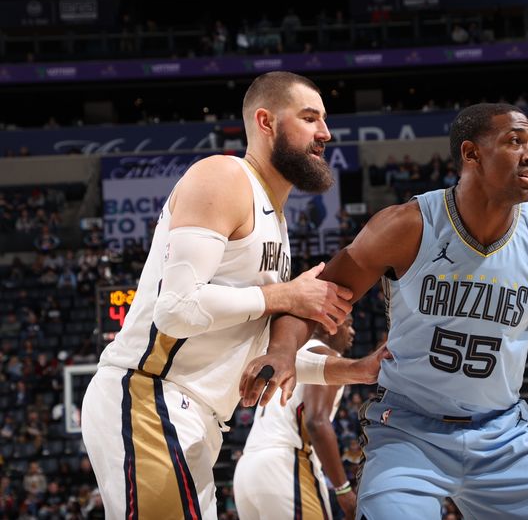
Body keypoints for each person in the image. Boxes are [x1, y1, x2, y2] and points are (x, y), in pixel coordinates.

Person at [241, 103, 528, 519]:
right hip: (409, 432)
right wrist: (281, 351)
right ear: (471, 154)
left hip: (501, 435)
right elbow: (312, 301)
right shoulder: (408, 226)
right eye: (515, 142)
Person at [81, 71, 385, 519]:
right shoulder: (223, 175)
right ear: (265, 122)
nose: (326, 133)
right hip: (150, 395)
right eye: (309, 118)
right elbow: (175, 310)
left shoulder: (275, 223)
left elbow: (256, 353)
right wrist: (284, 296)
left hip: (196, 415)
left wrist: (354, 370)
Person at [233, 315, 357, 520]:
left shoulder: (287, 356)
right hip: (286, 466)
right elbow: (316, 421)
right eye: (348, 324)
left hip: (248, 470)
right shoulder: (325, 355)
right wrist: (343, 490)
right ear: (329, 325)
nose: (352, 332)